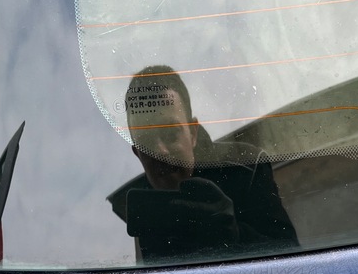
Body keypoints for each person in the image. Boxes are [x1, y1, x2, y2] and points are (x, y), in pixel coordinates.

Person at [110, 65, 298, 263]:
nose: (161, 151)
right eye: (146, 142)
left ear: (193, 133)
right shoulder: (144, 209)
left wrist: (233, 234)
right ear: (137, 153)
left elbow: (289, 260)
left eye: (171, 133)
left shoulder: (245, 166)